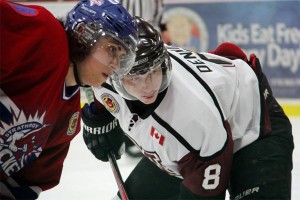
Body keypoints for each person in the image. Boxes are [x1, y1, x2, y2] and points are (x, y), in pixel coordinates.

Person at [82, 17, 294, 199]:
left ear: (163, 64)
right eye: (135, 78)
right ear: (114, 73)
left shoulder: (192, 119)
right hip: (195, 143)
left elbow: (207, 191)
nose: (147, 87)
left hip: (253, 130)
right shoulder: (103, 74)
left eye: (152, 73)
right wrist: (99, 117)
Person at [0, 0, 138, 199]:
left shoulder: (68, 119)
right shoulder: (43, 34)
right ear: (83, 32)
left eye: (122, 56)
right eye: (112, 49)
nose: (116, 65)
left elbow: (23, 184)